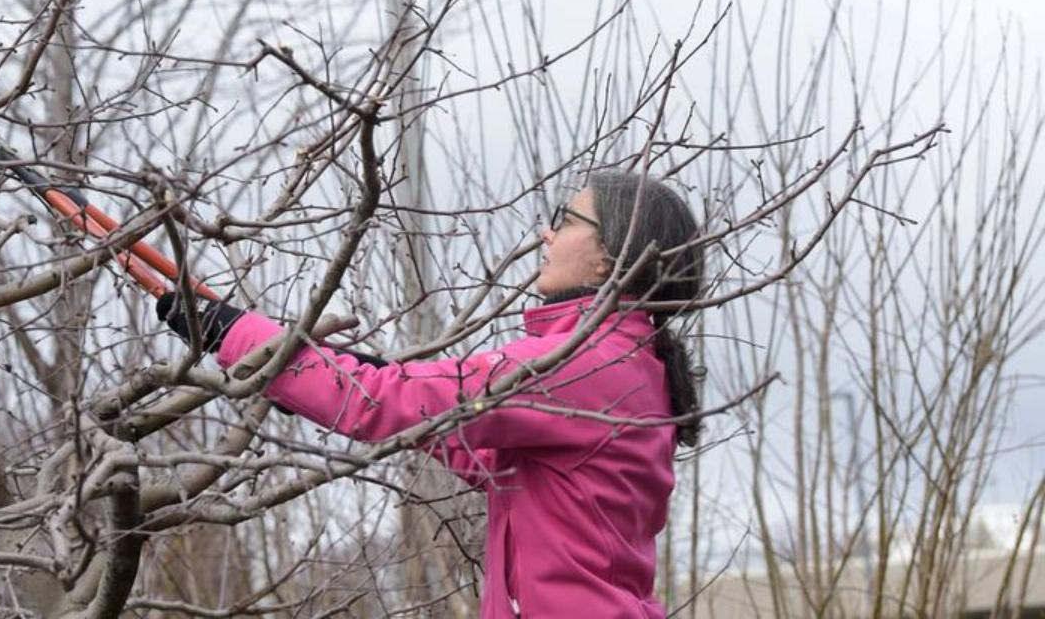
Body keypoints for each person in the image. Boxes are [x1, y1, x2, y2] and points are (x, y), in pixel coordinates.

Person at [157, 171, 704, 618]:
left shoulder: (581, 363)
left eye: (566, 221)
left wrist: (234, 335)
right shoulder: (626, 361)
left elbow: (384, 401)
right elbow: (493, 461)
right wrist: (307, 376)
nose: (548, 235)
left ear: (611, 256)